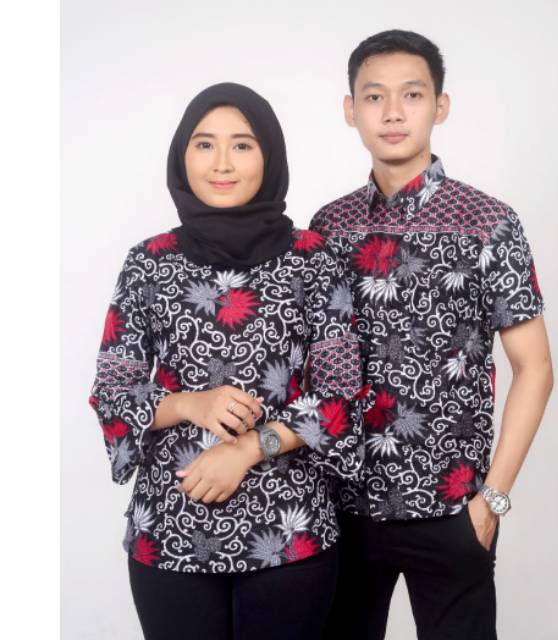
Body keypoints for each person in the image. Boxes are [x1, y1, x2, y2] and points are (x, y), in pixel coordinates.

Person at [89, 82, 365, 640]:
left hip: (290, 533)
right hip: (170, 531)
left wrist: (247, 448)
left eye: (242, 145)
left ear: (270, 155)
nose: (221, 163)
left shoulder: (312, 259)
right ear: (182, 156)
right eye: (204, 144)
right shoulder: (149, 263)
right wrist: (190, 403)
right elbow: (113, 390)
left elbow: (341, 397)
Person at [311, 30, 554, 640]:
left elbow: (535, 367)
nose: (393, 113)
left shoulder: (488, 223)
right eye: (375, 97)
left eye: (412, 95)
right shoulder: (328, 226)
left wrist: (493, 499)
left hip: (452, 507)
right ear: (350, 110)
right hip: (341, 505)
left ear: (440, 106)